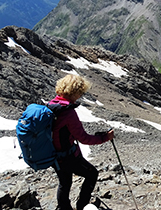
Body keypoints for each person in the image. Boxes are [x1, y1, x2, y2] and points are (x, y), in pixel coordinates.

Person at [48, 74, 114, 210]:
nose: (80, 95)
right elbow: (84, 138)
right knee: (92, 174)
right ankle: (82, 206)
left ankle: (64, 208)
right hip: (69, 156)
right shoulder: (68, 113)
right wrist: (104, 138)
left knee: (65, 182)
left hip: (55, 156)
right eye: (80, 92)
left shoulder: (52, 104)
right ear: (75, 92)